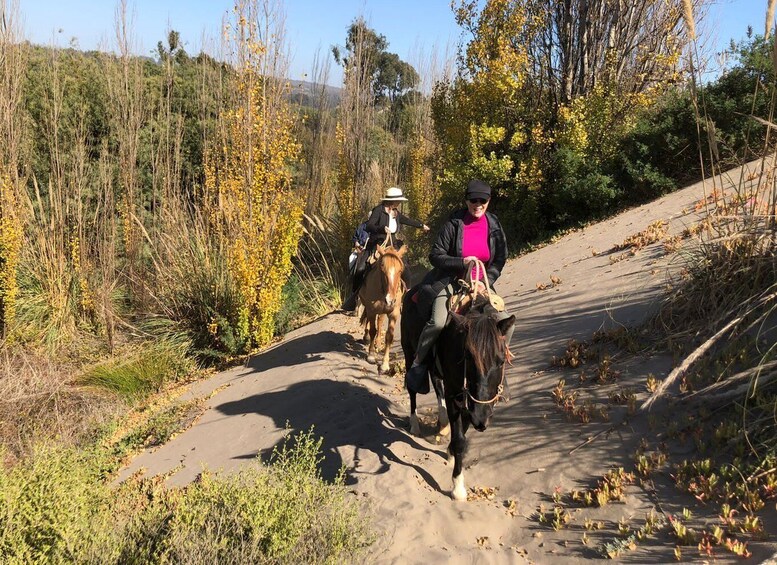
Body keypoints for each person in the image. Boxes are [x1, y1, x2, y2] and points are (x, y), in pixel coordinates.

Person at [405, 179, 515, 393]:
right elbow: (435, 255)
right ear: (466, 201)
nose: (478, 204)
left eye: (483, 200)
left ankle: (497, 365)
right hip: (452, 282)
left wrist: (487, 282)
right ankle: (419, 365)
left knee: (506, 321)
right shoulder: (454, 224)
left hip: (482, 284)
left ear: (489, 201)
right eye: (473, 200)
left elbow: (500, 258)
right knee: (437, 322)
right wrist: (461, 262)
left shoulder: (494, 225)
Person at [346, 186, 429, 307]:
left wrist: (421, 225)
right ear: (392, 200)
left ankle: (408, 295)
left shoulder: (396, 213)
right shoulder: (378, 210)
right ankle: (355, 297)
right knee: (360, 269)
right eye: (398, 200)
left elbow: (407, 220)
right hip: (377, 244)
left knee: (405, 268)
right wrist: (381, 228)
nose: (400, 203)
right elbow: (369, 225)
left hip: (392, 245)